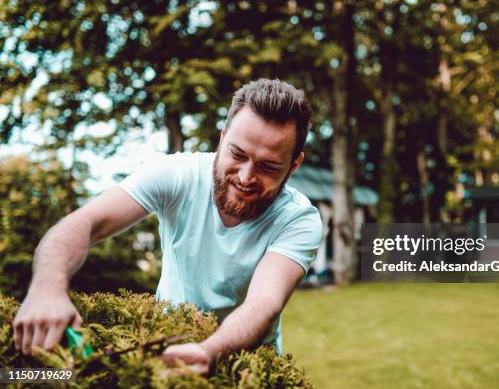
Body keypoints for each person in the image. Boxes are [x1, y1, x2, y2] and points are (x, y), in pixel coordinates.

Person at [12, 78, 323, 375]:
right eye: (237, 154)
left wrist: (209, 350)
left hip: (248, 365)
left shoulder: (297, 219)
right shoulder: (176, 174)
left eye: (268, 166)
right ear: (222, 137)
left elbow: (264, 302)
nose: (245, 177)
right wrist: (46, 290)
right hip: (166, 339)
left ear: (294, 165)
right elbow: (84, 223)